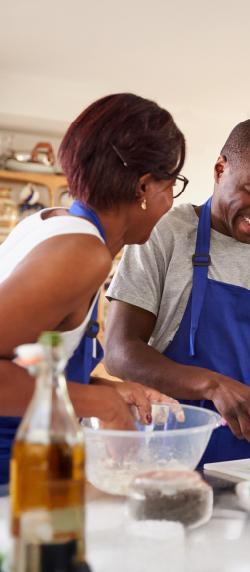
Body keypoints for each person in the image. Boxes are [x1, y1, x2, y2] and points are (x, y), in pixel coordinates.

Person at [104, 117, 250, 464]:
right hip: (168, 446)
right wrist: (213, 385)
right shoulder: (165, 231)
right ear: (220, 170)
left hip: (245, 452)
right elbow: (119, 352)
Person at [0, 93, 185, 484]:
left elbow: (22, 362)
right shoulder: (84, 253)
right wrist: (99, 403)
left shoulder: (50, 222)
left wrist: (106, 389)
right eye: (172, 186)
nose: (170, 202)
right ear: (144, 186)